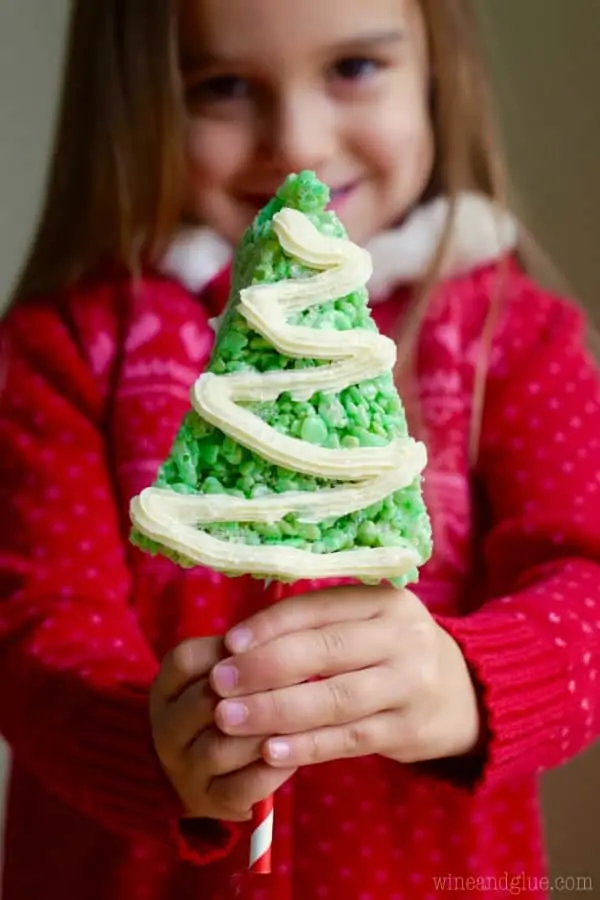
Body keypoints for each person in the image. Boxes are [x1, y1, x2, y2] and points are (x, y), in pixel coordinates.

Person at [0, 0, 598, 897]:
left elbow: (586, 579)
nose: (298, 143)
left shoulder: (510, 341)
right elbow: (33, 626)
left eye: (354, 68)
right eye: (224, 87)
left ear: (436, 71)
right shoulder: (68, 350)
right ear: (135, 100)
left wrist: (466, 684)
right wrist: (151, 742)